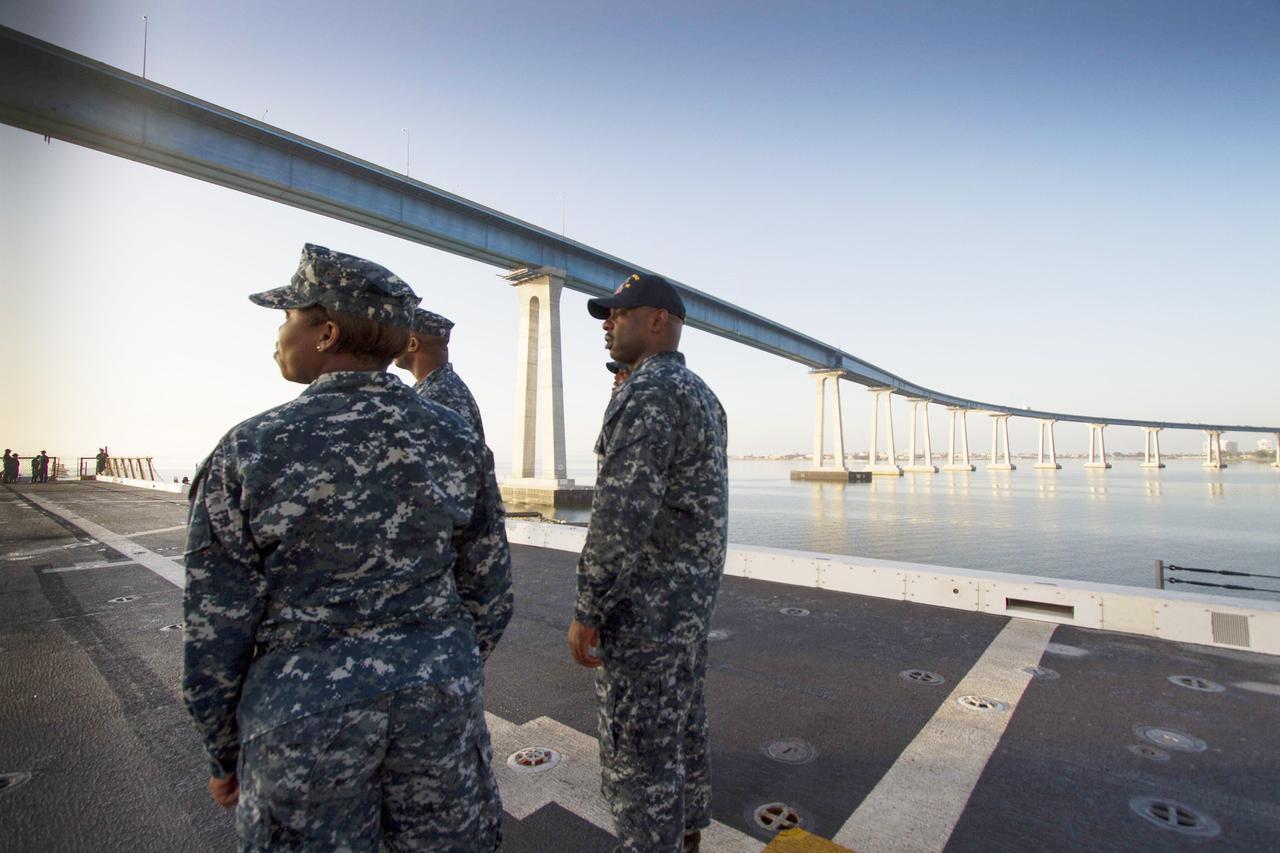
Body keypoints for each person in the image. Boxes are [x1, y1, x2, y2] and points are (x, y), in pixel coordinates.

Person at [182, 243, 512, 851]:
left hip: (303, 721)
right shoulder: (456, 440)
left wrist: (223, 750)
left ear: (327, 332)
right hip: (440, 707)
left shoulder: (251, 448)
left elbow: (215, 626)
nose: (279, 333)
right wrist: (442, 665)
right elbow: (490, 590)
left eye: (287, 317)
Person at [567, 273, 729, 853]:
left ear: (658, 320)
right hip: (685, 608)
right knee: (683, 728)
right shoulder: (702, 395)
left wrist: (589, 607)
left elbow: (620, 515)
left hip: (645, 612)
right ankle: (686, 837)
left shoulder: (648, 394)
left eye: (618, 313)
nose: (608, 324)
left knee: (639, 753)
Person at [394, 308, 485, 438]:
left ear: (412, 344)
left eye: (398, 338)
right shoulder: (435, 388)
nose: (393, 344)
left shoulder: (445, 397)